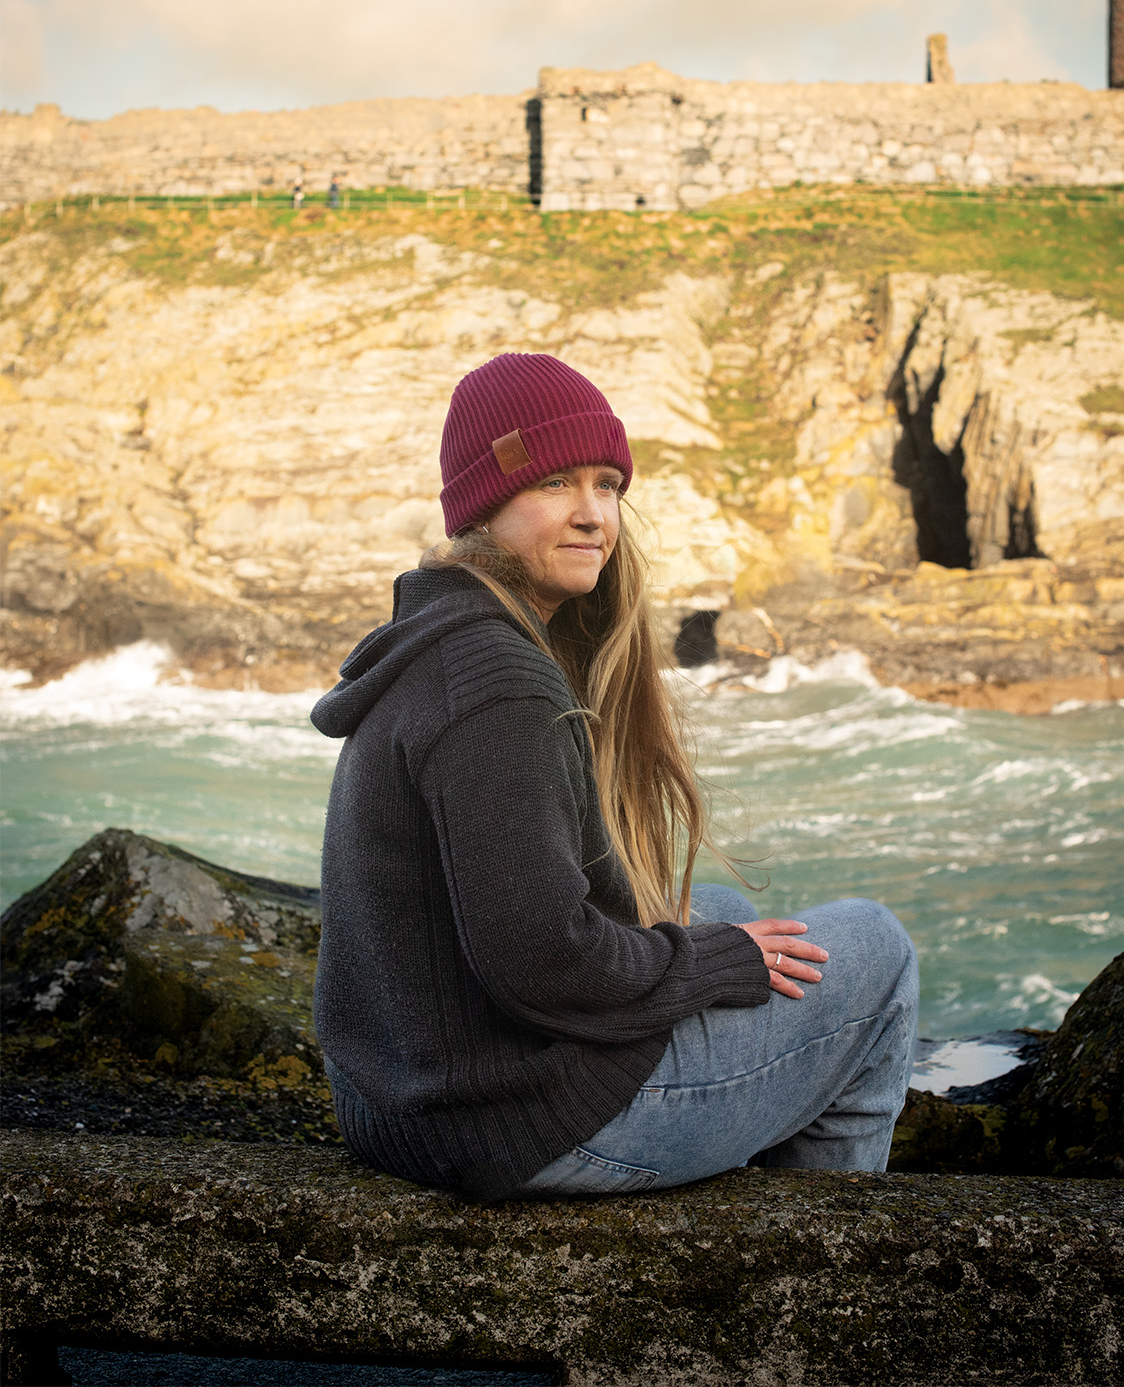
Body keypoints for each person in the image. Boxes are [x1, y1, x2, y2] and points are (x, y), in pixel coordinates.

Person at [312, 353, 918, 1201]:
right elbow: (543, 958)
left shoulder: (445, 636)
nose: (594, 515)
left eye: (608, 486)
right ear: (484, 502)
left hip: (407, 1097)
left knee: (730, 917)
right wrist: (712, 968)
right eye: (557, 484)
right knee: (875, 951)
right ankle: (822, 1273)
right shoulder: (497, 681)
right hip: (507, 1124)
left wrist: (714, 948)